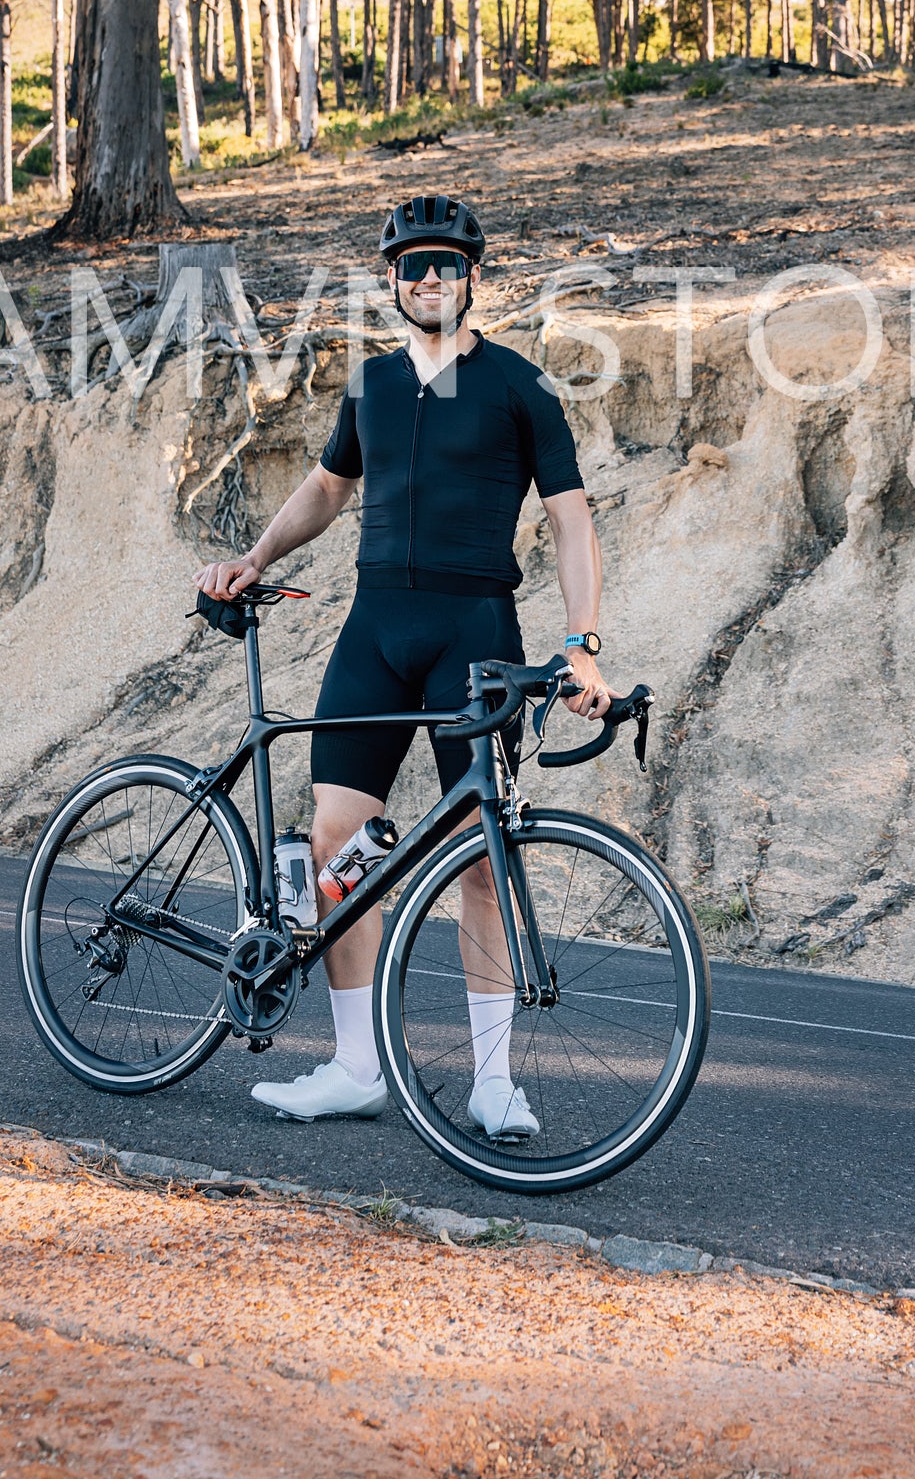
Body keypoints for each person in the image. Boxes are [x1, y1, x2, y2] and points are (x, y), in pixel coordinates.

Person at [199, 193, 614, 1139]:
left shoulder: (520, 386)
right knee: (341, 847)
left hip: (474, 631)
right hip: (374, 627)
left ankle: (494, 1082)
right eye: (413, 266)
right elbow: (328, 486)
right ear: (391, 281)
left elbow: (569, 515)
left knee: (480, 858)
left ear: (474, 278)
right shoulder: (370, 385)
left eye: (447, 265)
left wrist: (582, 638)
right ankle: (354, 1066)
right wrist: (255, 560)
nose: (430, 279)